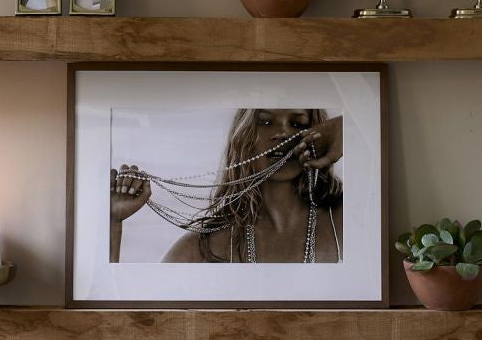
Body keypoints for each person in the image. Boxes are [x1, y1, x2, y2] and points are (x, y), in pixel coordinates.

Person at [110, 109, 343, 264]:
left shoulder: (349, 219)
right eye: (264, 122)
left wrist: (347, 127)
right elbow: (133, 314)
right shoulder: (204, 249)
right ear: (243, 139)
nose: (282, 133)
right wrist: (112, 222)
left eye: (297, 123)